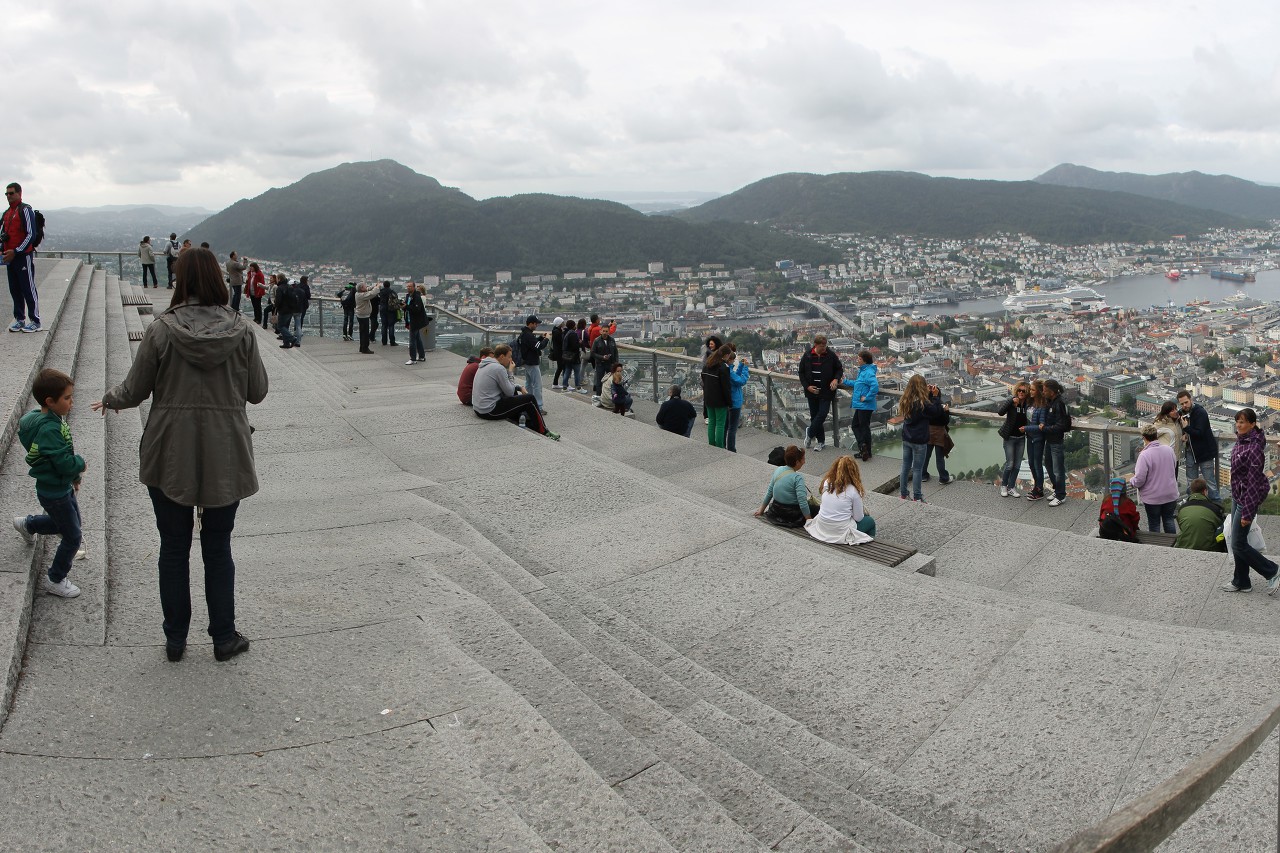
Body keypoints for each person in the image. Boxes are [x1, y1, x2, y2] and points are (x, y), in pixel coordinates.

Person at [92, 247, 267, 662]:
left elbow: (134, 391)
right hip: (226, 450)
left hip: (169, 449)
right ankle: (224, 637)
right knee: (218, 545)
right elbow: (257, 392)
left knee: (173, 547)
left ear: (180, 280)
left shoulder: (161, 330)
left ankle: (175, 640)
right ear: (219, 280)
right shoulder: (242, 331)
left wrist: (109, 399)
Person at [13, 368, 86, 598]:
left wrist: (73, 478)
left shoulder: (53, 419)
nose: (71, 402)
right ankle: (55, 579)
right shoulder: (49, 429)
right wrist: (79, 465)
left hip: (60, 486)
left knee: (69, 525)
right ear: (50, 402)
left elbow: (63, 455)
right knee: (72, 536)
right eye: (67, 398)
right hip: (54, 491)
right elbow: (63, 460)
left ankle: (29, 524)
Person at [1223, 408, 1280, 594]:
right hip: (1237, 495)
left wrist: (1247, 512)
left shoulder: (1254, 448)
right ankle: (1242, 581)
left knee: (1238, 544)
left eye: (1243, 422)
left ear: (1253, 424)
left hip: (1246, 499)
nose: (1238, 425)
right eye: (1237, 421)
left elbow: (1254, 483)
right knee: (1238, 540)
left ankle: (1272, 571)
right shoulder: (1242, 440)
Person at [471, 345, 559, 440]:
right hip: (489, 411)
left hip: (478, 409)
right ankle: (544, 430)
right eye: (509, 356)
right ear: (501, 356)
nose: (510, 359)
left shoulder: (486, 364)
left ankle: (523, 419)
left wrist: (519, 387)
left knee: (515, 393)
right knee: (530, 399)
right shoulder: (498, 368)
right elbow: (509, 392)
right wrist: (510, 372)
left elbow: (508, 387)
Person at [805, 454, 875, 544]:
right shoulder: (853, 490)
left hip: (822, 526)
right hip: (839, 532)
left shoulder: (827, 482)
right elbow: (858, 518)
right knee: (870, 521)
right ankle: (870, 545)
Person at [895, 374, 943, 502]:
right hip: (920, 440)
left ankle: (903, 494)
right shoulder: (923, 404)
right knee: (917, 469)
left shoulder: (906, 400)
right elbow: (935, 412)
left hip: (907, 438)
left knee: (905, 466)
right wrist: (935, 396)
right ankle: (917, 497)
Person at [3, 182, 40, 333]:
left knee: (28, 288)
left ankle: (35, 321)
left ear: (19, 193)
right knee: (14, 289)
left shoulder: (25, 210)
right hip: (10, 258)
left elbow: (31, 234)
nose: (9, 196)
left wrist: (16, 250)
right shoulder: (7, 213)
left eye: (11, 193)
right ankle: (20, 319)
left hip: (23, 256)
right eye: (6, 194)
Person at [798, 334, 842, 452]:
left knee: (822, 414)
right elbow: (801, 372)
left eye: (825, 345)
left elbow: (839, 369)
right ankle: (820, 442)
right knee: (815, 417)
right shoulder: (807, 355)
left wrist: (835, 379)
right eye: (822, 346)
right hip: (812, 391)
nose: (825, 348)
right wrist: (807, 387)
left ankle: (810, 432)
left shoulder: (830, 355)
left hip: (826, 391)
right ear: (816, 345)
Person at [1130, 425, 1179, 533]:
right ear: (1156, 435)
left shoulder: (1144, 455)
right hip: (1170, 493)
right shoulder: (1169, 450)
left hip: (1153, 497)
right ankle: (1173, 547)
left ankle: (1156, 547)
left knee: (1154, 523)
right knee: (1169, 520)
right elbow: (1173, 466)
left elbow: (1140, 479)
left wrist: (1132, 482)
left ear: (1144, 438)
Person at [754, 445, 816, 528]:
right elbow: (802, 502)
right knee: (818, 509)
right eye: (803, 459)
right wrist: (809, 520)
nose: (804, 462)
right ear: (797, 462)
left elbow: (770, 491)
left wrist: (761, 510)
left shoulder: (778, 470)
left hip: (776, 511)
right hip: (792, 514)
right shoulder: (797, 478)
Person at [1177, 390, 1219, 500]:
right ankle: (1193, 504)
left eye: (1186, 402)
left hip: (1204, 452)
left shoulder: (1200, 412)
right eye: (1181, 403)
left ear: (1191, 400)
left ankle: (1217, 507)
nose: (1184, 405)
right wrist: (1184, 434)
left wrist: (1186, 428)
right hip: (1190, 452)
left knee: (1210, 483)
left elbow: (1199, 433)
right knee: (1191, 483)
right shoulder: (1181, 413)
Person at [1040, 379, 1071, 507]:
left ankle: (1061, 495)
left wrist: (1045, 428)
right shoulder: (1051, 401)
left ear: (1052, 392)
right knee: (1048, 465)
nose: (1043, 392)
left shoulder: (1059, 404)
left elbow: (1062, 425)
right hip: (1050, 439)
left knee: (1058, 469)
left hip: (1056, 440)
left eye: (1045, 390)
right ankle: (1056, 490)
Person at [1175, 478, 1227, 552]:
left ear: (1192, 491)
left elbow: (1181, 525)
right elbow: (1219, 526)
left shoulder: (1182, 509)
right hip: (1209, 548)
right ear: (1205, 491)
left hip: (1184, 546)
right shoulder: (1214, 509)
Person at [997, 383, 1030, 497]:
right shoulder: (1011, 402)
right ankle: (1004, 486)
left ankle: (1011, 487)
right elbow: (1000, 412)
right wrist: (1011, 401)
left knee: (1017, 465)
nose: (1021, 392)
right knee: (1010, 464)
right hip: (1010, 437)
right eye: (1019, 390)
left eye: (1024, 391)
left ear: (1027, 393)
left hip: (1021, 438)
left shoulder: (1027, 404)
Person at [844, 350, 878, 461]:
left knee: (860, 427)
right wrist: (845, 381)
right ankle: (865, 450)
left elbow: (875, 386)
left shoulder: (868, 372)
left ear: (864, 360)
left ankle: (864, 448)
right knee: (860, 426)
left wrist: (866, 397)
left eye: (859, 359)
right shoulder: (864, 371)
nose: (857, 360)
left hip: (865, 405)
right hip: (862, 405)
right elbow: (858, 384)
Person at [920, 383, 953, 484]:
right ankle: (943, 478)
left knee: (926, 456)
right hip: (939, 434)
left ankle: (923, 475)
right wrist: (946, 411)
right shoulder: (941, 406)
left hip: (928, 432)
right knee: (939, 457)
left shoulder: (925, 404)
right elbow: (945, 421)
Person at [701, 345, 733, 448]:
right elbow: (726, 387)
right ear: (726, 355)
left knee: (711, 422)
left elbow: (703, 380)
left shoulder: (707, 364)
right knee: (720, 424)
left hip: (708, 398)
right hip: (720, 401)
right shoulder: (723, 367)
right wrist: (729, 402)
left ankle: (711, 444)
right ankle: (719, 446)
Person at [1023, 379, 1047, 501]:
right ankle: (1036, 487)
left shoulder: (1042, 406)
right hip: (1030, 436)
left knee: (1037, 464)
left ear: (1038, 391)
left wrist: (1026, 428)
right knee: (1031, 463)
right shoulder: (1030, 403)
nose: (1030, 391)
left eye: (1032, 390)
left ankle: (1040, 489)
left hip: (1038, 438)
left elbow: (1041, 425)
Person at [517, 315, 547, 412]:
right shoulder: (528, 335)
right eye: (535, 323)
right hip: (532, 362)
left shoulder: (524, 334)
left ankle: (528, 402)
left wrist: (540, 338)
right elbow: (538, 347)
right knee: (537, 384)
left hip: (527, 362)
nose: (537, 325)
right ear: (531, 323)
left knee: (529, 384)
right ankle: (539, 406)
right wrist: (547, 339)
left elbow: (533, 344)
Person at [1097, 477, 1140, 542]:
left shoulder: (1106, 500)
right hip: (1123, 534)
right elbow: (1135, 520)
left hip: (1105, 532)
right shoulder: (1128, 503)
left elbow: (1101, 516)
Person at [726, 344, 750, 452]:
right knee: (732, 428)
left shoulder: (727, 370)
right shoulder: (729, 372)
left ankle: (723, 445)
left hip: (729, 401)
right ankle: (731, 448)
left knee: (726, 426)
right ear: (729, 360)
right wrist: (745, 368)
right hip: (734, 402)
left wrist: (740, 365)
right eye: (733, 359)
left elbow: (735, 376)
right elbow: (741, 381)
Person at [590, 325, 618, 405]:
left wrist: (616, 363)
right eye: (604, 331)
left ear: (609, 332)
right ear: (600, 331)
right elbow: (592, 353)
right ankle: (599, 398)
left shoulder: (612, 340)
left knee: (612, 381)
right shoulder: (597, 340)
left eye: (606, 331)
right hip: (600, 364)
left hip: (610, 364)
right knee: (599, 381)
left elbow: (615, 352)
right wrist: (602, 357)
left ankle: (611, 397)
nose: (605, 333)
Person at [403, 281, 430, 364]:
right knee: (417, 339)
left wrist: (406, 306)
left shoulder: (417, 297)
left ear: (414, 287)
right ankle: (421, 356)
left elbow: (416, 309)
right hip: (410, 319)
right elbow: (408, 308)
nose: (408, 288)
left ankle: (413, 359)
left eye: (410, 286)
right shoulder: (408, 296)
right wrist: (403, 307)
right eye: (407, 286)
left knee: (412, 341)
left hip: (415, 321)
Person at [275, 275, 300, 349]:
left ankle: (292, 339)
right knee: (286, 326)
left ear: (279, 279)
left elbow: (278, 300)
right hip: (291, 310)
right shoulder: (290, 287)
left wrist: (276, 306)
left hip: (283, 310)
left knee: (280, 326)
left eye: (277, 279)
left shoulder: (280, 288)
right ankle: (286, 343)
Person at [559, 318, 583, 392]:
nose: (576, 325)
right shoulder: (573, 333)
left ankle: (564, 387)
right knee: (577, 372)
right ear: (573, 326)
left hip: (567, 356)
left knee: (567, 371)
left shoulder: (566, 333)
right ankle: (578, 387)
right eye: (574, 324)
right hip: (574, 357)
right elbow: (574, 346)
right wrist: (579, 343)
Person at [354, 283, 375, 354]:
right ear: (362, 288)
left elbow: (368, 290)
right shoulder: (362, 295)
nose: (367, 287)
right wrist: (377, 287)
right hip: (364, 316)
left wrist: (373, 286)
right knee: (365, 333)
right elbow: (372, 294)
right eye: (365, 286)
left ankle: (362, 347)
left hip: (360, 315)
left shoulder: (358, 293)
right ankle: (365, 348)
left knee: (362, 332)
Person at [378, 281, 399, 346]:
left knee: (384, 325)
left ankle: (384, 341)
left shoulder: (381, 292)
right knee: (391, 325)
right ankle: (392, 341)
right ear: (389, 285)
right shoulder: (392, 292)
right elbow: (396, 300)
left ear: (384, 285)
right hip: (391, 310)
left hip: (382, 309)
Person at [293, 275, 311, 345]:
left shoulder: (297, 286)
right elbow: (308, 296)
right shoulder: (306, 287)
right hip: (303, 305)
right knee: (300, 319)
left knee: (296, 320)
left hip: (296, 305)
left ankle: (295, 331)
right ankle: (299, 333)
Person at [549, 316, 565, 388]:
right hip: (559, 352)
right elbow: (561, 342)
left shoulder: (555, 331)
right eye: (562, 322)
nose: (563, 323)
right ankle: (556, 383)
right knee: (561, 367)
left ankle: (556, 383)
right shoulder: (557, 332)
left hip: (557, 351)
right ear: (559, 324)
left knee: (560, 367)